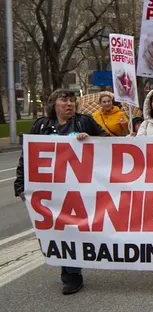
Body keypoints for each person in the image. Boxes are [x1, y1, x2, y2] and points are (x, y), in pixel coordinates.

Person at [14, 89, 106, 295]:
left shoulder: (85, 122)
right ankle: (70, 273)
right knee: (59, 230)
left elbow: (108, 144)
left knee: (76, 229)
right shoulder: (41, 126)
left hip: (81, 189)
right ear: (53, 104)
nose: (69, 104)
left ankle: (76, 270)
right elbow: (27, 157)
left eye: (73, 101)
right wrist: (20, 185)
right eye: (64, 100)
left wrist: (91, 139)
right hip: (51, 190)